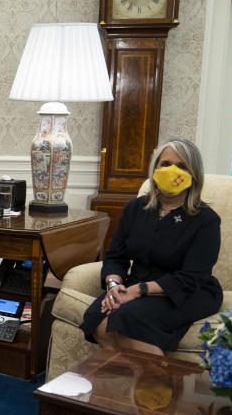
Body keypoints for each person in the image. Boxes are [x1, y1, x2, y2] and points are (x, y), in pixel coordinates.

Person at [80, 139, 223, 355]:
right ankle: (130, 383)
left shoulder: (206, 220)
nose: (172, 170)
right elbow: (115, 257)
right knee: (96, 315)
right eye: (165, 163)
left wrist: (138, 291)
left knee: (127, 317)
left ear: (194, 174)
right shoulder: (136, 208)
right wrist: (113, 287)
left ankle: (160, 385)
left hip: (188, 290)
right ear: (155, 168)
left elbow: (192, 277)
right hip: (137, 283)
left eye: (182, 166)